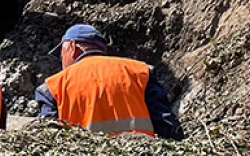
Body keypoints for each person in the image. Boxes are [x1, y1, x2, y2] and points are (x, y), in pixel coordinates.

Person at [35, 23, 182, 139]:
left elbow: (50, 138)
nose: (62, 61)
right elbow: (167, 126)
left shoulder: (52, 87)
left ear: (72, 47)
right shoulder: (140, 72)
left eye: (62, 54)